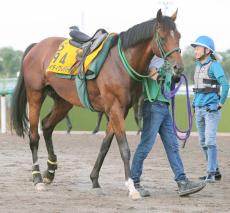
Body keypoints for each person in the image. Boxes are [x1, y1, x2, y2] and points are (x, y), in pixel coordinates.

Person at [131, 55, 206, 197]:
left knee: (172, 146)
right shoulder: (151, 59)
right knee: (145, 146)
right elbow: (152, 74)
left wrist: (174, 76)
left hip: (164, 107)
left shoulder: (167, 61)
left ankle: (182, 182)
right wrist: (167, 71)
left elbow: (169, 83)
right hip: (153, 106)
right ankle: (134, 182)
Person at [191, 36, 229, 182]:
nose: (195, 51)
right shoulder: (197, 66)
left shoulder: (214, 66)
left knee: (210, 141)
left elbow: (225, 85)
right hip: (199, 109)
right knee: (202, 141)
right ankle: (216, 171)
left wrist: (221, 103)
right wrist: (195, 102)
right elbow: (199, 89)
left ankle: (211, 173)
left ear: (207, 50)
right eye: (195, 48)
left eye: (198, 48)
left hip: (211, 110)